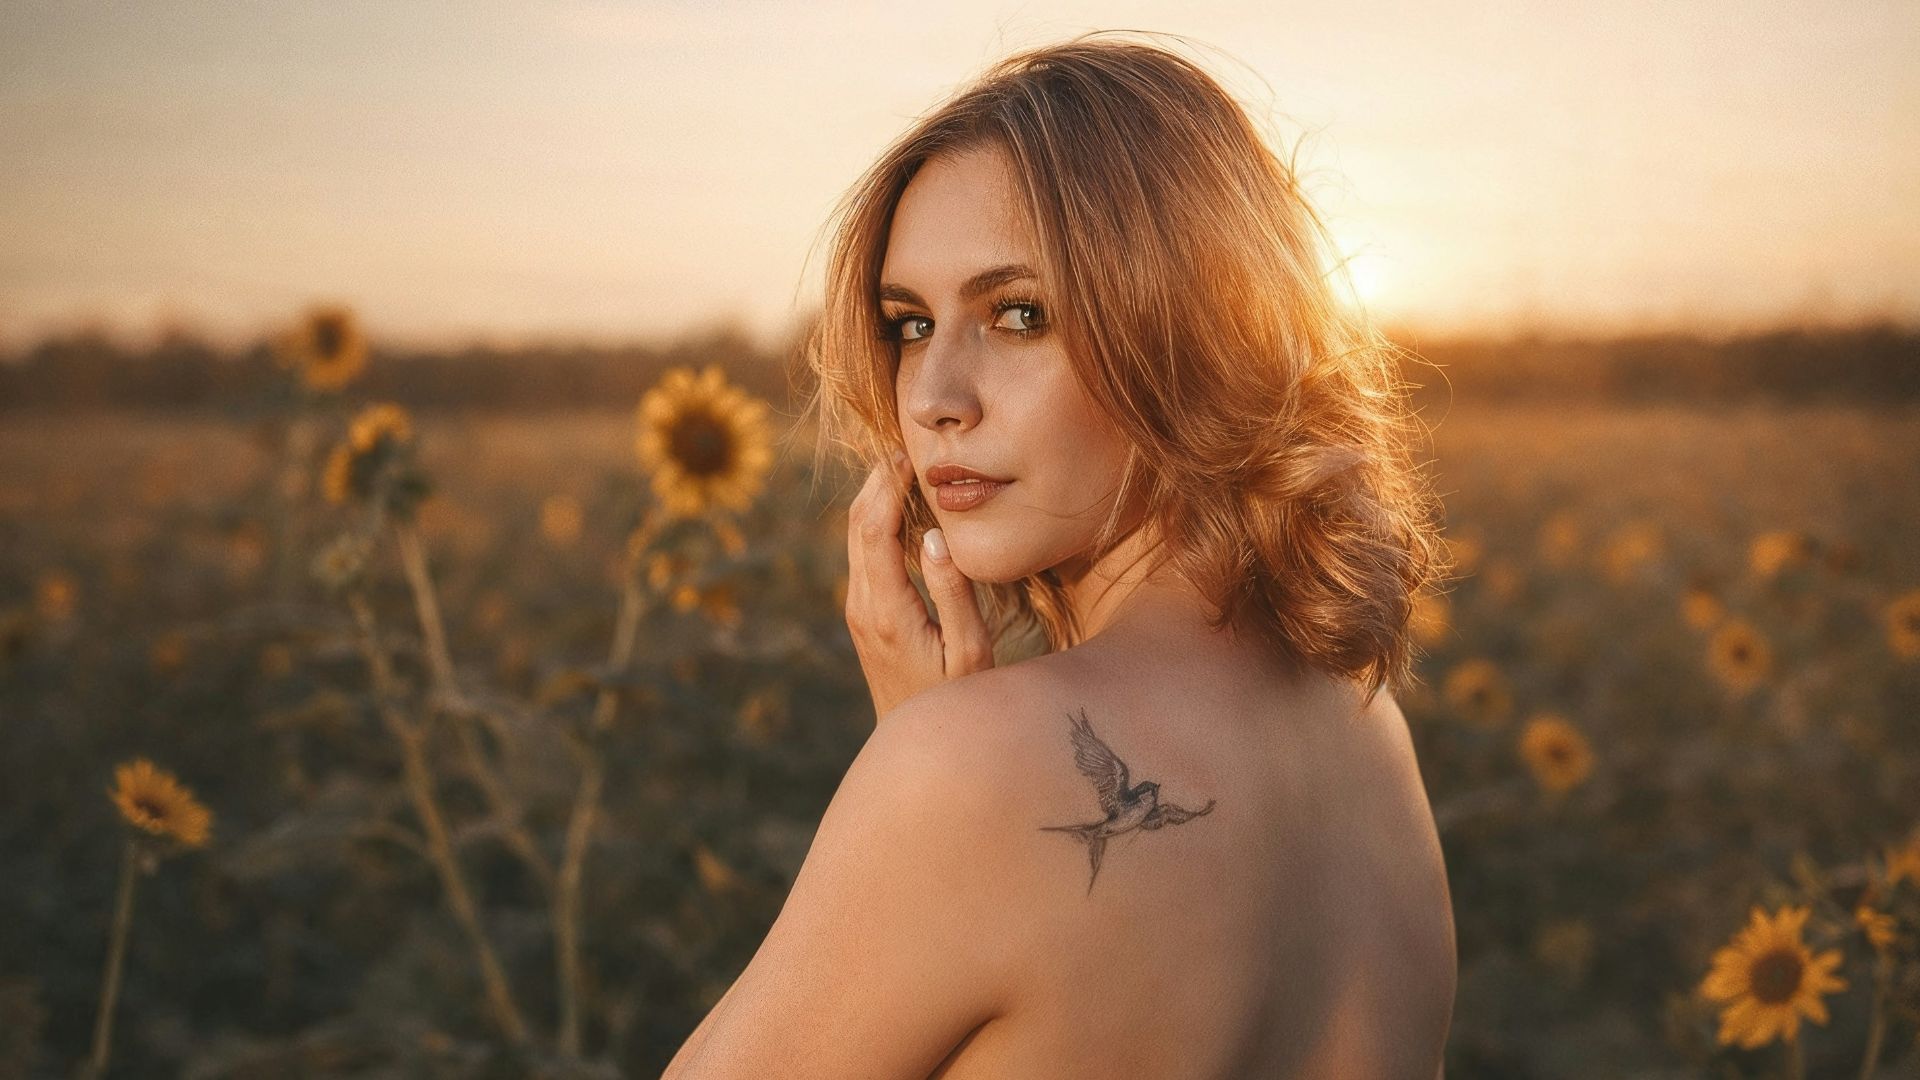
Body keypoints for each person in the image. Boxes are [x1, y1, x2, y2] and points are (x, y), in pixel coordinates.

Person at [663, 31, 1456, 1080]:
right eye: (908, 324)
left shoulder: (969, 774)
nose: (936, 398)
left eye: (1019, 314)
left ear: (1191, 331)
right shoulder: (1366, 736)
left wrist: (933, 757)